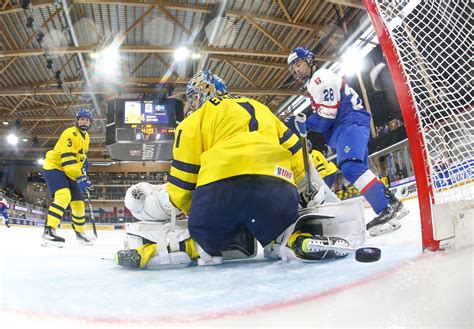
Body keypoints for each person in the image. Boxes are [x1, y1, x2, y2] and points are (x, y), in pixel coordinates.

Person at [114, 70, 351, 269]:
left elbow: (183, 183)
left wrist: (184, 208)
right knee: (280, 231)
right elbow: (297, 154)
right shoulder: (262, 108)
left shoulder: (195, 120)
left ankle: (172, 249)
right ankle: (296, 240)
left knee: (204, 241)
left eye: (194, 97)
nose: (192, 104)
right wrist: (305, 197)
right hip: (277, 189)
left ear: (207, 91)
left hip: (221, 191)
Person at [287, 47, 407, 236]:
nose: (296, 70)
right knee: (358, 169)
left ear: (310, 60)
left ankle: (385, 208)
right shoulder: (315, 81)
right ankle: (392, 204)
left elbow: (326, 117)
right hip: (349, 125)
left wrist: (303, 122)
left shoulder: (320, 77)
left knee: (350, 167)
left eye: (298, 64)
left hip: (349, 123)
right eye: (293, 68)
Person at [41, 109, 94, 247]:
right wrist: (81, 178)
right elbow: (69, 162)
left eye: (87, 120)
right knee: (64, 196)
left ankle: (80, 233)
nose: (84, 121)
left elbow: (80, 158)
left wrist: (84, 168)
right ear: (77, 121)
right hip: (55, 167)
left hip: (70, 170)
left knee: (78, 203)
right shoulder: (70, 133)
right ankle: (49, 231)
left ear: (90, 123)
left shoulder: (86, 137)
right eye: (82, 119)